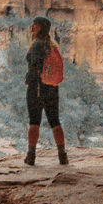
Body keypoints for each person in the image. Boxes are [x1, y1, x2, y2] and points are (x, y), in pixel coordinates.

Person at [24, 16, 68, 166]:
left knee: (34, 121)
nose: (32, 28)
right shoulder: (53, 46)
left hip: (36, 88)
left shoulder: (37, 44)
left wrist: (28, 77)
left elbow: (34, 66)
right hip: (52, 88)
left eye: (34, 25)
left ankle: (31, 156)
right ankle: (62, 155)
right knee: (55, 121)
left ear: (41, 28)